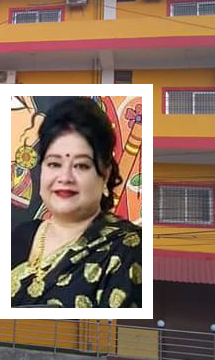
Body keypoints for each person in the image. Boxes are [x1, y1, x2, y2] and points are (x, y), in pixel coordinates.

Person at [11, 97, 141, 308]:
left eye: (81, 166)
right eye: (54, 164)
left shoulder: (128, 248)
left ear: (105, 175)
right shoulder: (19, 236)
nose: (65, 177)